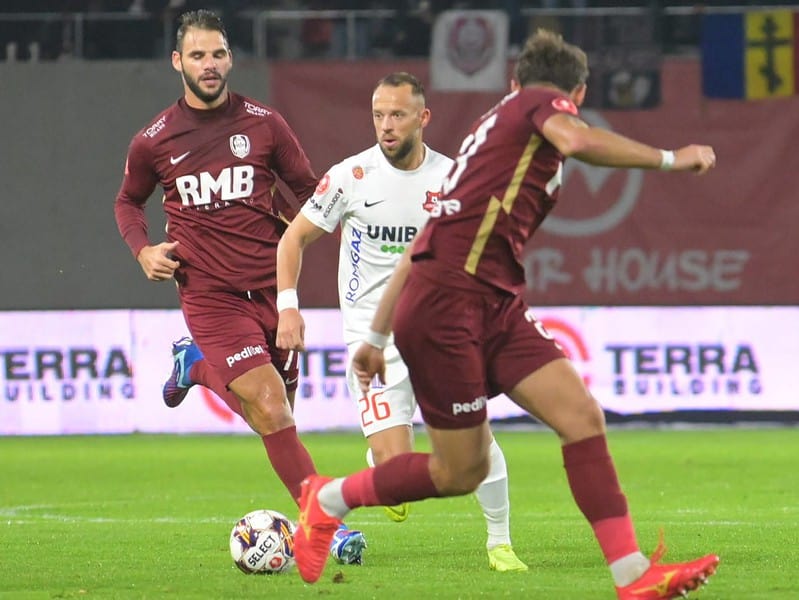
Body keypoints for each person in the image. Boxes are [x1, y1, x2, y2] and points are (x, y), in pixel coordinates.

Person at [291, 29, 720, 598]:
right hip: (447, 309)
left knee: (582, 416)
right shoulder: (537, 108)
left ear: (514, 80)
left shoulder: (487, 146)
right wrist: (672, 158)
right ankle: (326, 500)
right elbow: (573, 138)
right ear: (575, 93)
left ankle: (632, 576)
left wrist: (376, 329)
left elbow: (426, 241)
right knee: (458, 473)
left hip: (493, 302)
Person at [113, 9, 365, 565]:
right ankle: (323, 523)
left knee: (273, 418)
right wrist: (144, 250)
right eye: (198, 55)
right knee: (272, 406)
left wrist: (349, 237)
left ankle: (195, 366)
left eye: (218, 53)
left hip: (273, 291)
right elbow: (128, 201)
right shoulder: (153, 140)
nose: (210, 64)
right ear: (178, 61)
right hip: (210, 295)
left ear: (231, 58)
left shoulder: (265, 123)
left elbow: (309, 191)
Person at [275, 71, 527, 572]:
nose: (385, 126)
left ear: (422, 118)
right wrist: (287, 305)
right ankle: (382, 465)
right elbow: (292, 239)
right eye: (378, 115)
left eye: (397, 115)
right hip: (374, 340)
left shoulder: (453, 178)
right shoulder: (351, 176)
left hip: (442, 333)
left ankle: (500, 543)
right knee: (395, 476)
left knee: (477, 442)